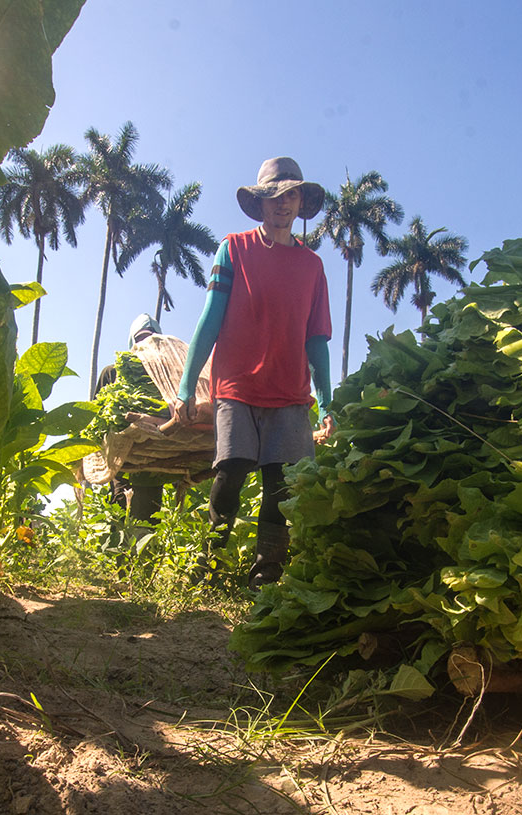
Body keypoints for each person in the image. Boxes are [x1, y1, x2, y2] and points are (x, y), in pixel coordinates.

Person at [170, 156, 334, 590]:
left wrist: (329, 401)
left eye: (292, 194)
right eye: (274, 195)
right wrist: (187, 386)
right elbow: (210, 319)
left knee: (280, 487)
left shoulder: (313, 267)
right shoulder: (234, 249)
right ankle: (209, 566)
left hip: (290, 392)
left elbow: (316, 339)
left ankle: (266, 576)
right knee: (231, 471)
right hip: (238, 385)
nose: (283, 203)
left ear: (301, 203)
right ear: (260, 204)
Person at [94, 313, 166, 531]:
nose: (146, 343)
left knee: (148, 523)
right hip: (122, 462)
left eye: (152, 338)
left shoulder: (164, 378)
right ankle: (120, 564)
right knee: (120, 512)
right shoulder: (112, 373)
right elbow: (96, 415)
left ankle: (143, 565)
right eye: (140, 338)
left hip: (154, 464)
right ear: (132, 342)